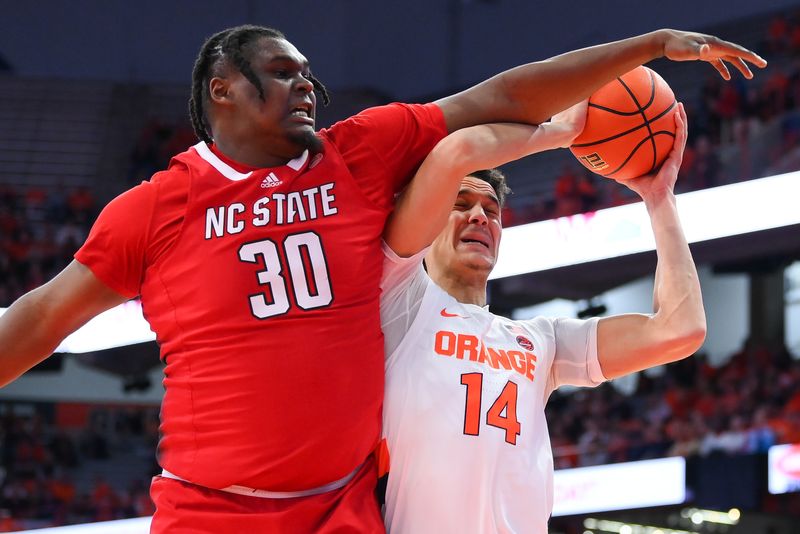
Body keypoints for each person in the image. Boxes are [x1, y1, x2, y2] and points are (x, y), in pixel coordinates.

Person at [0, 23, 762, 533]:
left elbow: (494, 97)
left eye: (308, 74)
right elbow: (37, 322)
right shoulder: (154, 208)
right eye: (281, 73)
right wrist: (560, 134)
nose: (307, 86)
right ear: (220, 90)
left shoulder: (356, 155)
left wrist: (651, 46)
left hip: (340, 510)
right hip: (212, 510)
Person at [378, 104, 705, 533]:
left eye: (492, 210)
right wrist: (554, 133)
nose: (480, 216)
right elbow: (448, 155)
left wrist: (659, 199)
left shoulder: (541, 340)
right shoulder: (400, 300)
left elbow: (680, 329)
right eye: (460, 203)